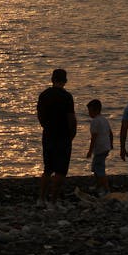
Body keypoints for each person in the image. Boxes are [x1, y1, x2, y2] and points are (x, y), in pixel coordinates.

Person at [37, 69, 77, 209]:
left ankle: (41, 198)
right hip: (63, 136)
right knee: (60, 171)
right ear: (65, 81)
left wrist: (46, 127)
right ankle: (53, 201)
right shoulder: (66, 97)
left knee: (47, 169)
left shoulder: (44, 95)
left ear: (52, 79)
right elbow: (71, 118)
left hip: (48, 134)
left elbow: (40, 116)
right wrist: (72, 134)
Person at [85, 99, 113, 196]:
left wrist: (90, 151)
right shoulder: (104, 119)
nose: (89, 113)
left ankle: (106, 189)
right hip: (105, 147)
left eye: (90, 111)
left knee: (100, 169)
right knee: (95, 167)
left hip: (100, 148)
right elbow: (111, 133)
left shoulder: (95, 121)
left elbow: (94, 138)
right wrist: (111, 144)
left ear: (95, 110)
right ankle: (98, 185)